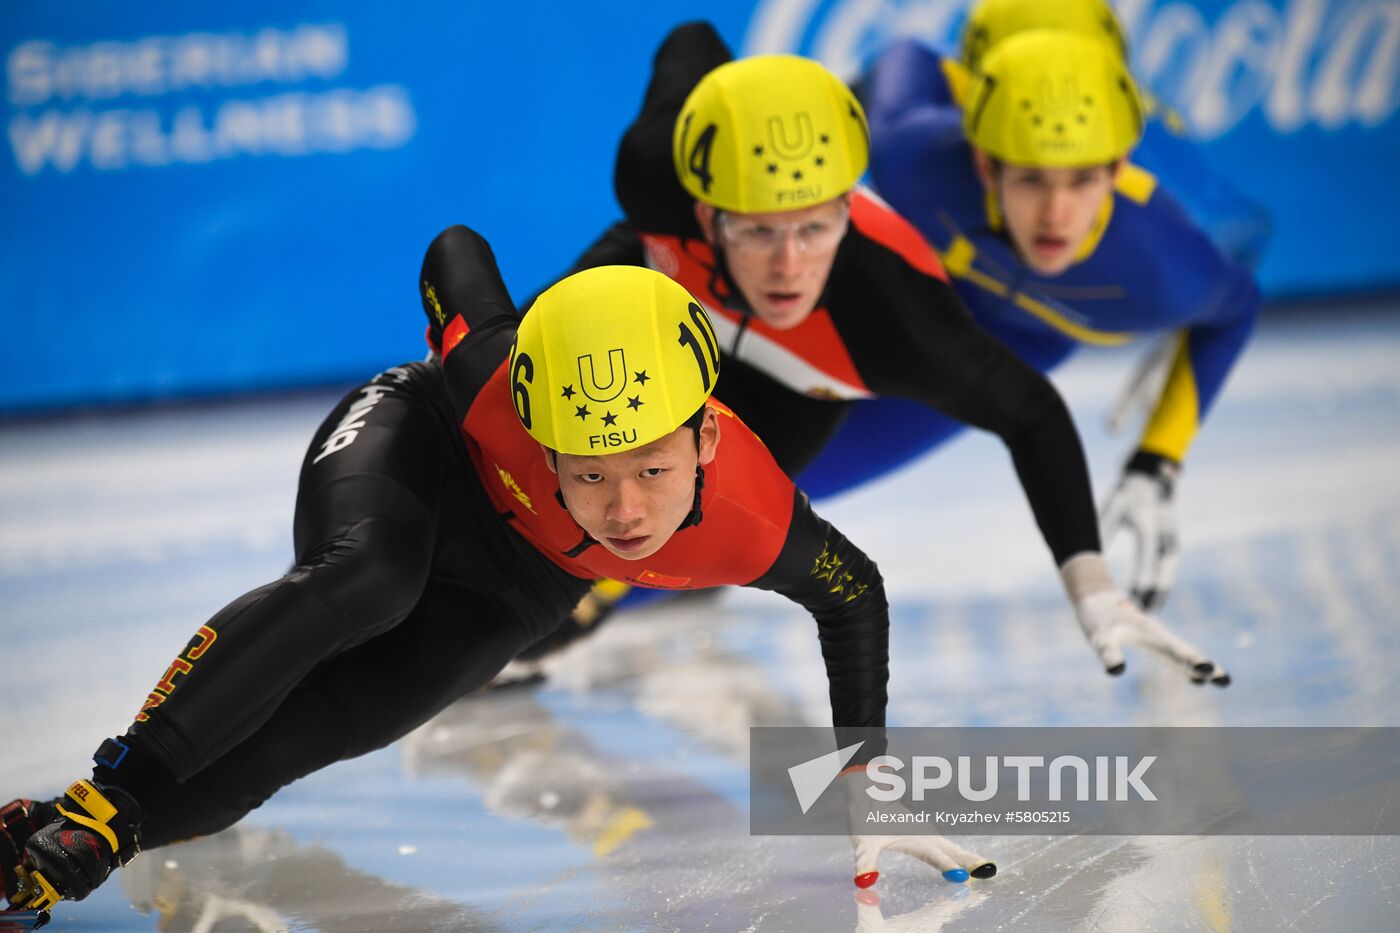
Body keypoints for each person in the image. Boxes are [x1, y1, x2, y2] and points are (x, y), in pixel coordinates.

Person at [2, 228, 993, 926]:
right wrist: (488, 334)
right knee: (372, 577)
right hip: (420, 447)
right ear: (543, 440)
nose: (625, 511)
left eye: (652, 469)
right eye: (589, 473)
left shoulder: (753, 514)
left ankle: (53, 850)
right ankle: (107, 796)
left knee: (308, 739)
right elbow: (453, 250)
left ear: (703, 437)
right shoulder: (490, 383)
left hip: (520, 578)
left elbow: (852, 593)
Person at [515, 21, 1230, 684]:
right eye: (760, 231)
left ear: (847, 211)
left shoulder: (894, 316)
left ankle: (619, 593)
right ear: (706, 212)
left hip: (787, 390)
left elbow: (1029, 411)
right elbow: (693, 39)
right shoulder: (657, 173)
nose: (788, 267)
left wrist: (1092, 583)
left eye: (815, 229)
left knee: (606, 557)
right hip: (648, 300)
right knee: (504, 412)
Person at [851, 9, 1262, 612]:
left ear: (1120, 167)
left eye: (1081, 180)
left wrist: (1159, 458)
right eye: (1032, 179)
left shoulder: (1163, 258)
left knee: (784, 476)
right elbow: (897, 67)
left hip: (1017, 336)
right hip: (936, 295)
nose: (1056, 214)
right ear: (984, 158)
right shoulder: (911, 154)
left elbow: (1236, 287)